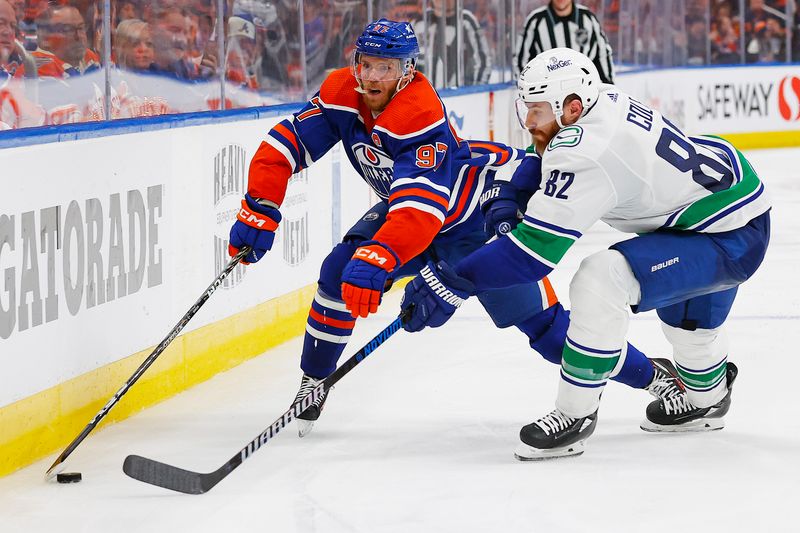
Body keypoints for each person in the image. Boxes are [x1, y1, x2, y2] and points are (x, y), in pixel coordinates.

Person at [228, 19, 694, 439]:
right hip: (415, 214)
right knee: (336, 272)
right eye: (365, 64)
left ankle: (655, 377)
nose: (371, 77)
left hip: (475, 226)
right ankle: (314, 382)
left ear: (407, 71)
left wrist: (381, 257)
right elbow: (287, 141)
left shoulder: (418, 115)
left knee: (550, 334)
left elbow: (420, 214)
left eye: (385, 68)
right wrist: (259, 205)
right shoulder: (341, 92)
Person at [401, 47, 771, 460]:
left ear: (572, 107)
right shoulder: (600, 98)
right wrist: (514, 192)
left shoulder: (587, 151)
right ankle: (709, 400)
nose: (528, 121)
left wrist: (450, 281)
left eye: (537, 110)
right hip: (722, 206)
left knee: (601, 279)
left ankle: (575, 414)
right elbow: (549, 153)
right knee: (690, 332)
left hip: (727, 234)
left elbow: (530, 255)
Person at [515, 0, 614, 84]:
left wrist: (609, 88)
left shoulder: (588, 18)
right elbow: (521, 60)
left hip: (586, 93)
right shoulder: (535, 21)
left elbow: (603, 54)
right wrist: (530, 93)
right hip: (549, 98)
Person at [413, 0, 491, 88]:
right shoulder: (421, 21)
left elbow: (483, 62)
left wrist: (473, 93)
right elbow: (410, 63)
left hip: (459, 96)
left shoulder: (466, 20)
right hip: (426, 95)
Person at [34, 4, 101, 78]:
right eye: (68, 29)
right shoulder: (38, 67)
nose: (78, 36)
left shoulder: (88, 56)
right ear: (45, 38)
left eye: (81, 27)